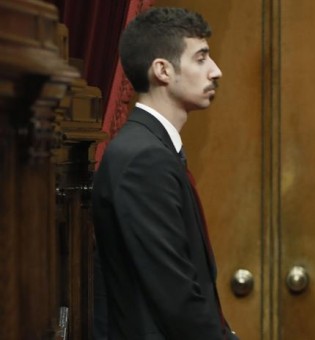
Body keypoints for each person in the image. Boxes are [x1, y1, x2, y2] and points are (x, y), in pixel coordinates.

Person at [92, 7, 237, 339]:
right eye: (201, 58)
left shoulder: (150, 149)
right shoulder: (144, 158)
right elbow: (175, 295)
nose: (216, 71)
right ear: (163, 70)